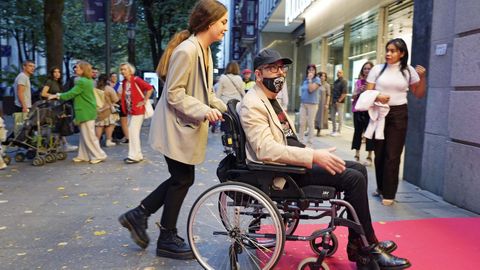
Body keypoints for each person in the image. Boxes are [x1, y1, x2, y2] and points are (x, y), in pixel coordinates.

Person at [239, 48, 411, 269]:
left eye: (281, 68)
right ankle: (366, 249)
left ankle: (360, 243)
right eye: (272, 68)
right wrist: (313, 156)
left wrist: (311, 153)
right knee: (353, 179)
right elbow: (265, 150)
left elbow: (287, 138)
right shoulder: (253, 103)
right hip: (283, 172)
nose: (279, 73)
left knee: (358, 168)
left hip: (294, 162)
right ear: (258, 74)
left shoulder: (270, 99)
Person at [118, 0, 228, 260]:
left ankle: (140, 215)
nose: (225, 27)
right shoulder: (187, 51)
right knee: (182, 179)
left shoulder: (204, 51)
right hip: (174, 128)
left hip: (182, 127)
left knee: (181, 179)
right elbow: (175, 95)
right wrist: (203, 110)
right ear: (210, 23)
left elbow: (206, 93)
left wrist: (229, 107)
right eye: (223, 22)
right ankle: (165, 236)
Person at [366, 38, 427, 206]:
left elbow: (419, 94)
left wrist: (422, 77)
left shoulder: (408, 71)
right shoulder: (377, 70)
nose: (388, 53)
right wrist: (378, 96)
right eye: (387, 50)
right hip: (379, 112)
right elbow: (367, 91)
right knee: (379, 154)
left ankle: (389, 193)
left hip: (399, 114)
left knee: (393, 154)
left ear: (402, 53)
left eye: (392, 51)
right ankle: (380, 188)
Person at [48, 61, 107, 164]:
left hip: (85, 111)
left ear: (83, 70)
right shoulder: (88, 80)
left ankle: (99, 155)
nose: (75, 69)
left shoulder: (82, 81)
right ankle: (83, 155)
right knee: (85, 135)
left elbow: (71, 93)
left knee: (89, 136)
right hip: (88, 110)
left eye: (78, 68)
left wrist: (56, 95)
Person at [118, 62, 153, 164]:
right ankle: (136, 154)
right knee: (132, 132)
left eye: (124, 69)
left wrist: (144, 100)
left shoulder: (136, 80)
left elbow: (149, 88)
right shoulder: (125, 82)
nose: (122, 71)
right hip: (130, 110)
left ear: (130, 70)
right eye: (121, 69)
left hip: (138, 110)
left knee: (133, 132)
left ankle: (134, 156)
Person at [41, 67, 78, 152]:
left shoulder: (58, 83)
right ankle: (63, 145)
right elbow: (43, 93)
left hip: (57, 106)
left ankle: (62, 144)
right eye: (55, 72)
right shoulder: (50, 82)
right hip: (51, 107)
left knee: (59, 125)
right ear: (52, 73)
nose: (57, 74)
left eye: (59, 72)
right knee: (57, 125)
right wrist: (54, 96)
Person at [351, 62, 375, 166]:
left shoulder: (375, 83)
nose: (367, 70)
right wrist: (358, 91)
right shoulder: (359, 82)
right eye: (365, 69)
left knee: (369, 133)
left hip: (369, 111)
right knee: (357, 132)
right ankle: (356, 154)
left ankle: (369, 156)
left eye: (369, 69)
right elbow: (353, 97)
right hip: (358, 111)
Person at [298, 64, 321, 146]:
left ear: (315, 71)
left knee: (310, 123)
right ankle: (300, 140)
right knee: (301, 122)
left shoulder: (317, 80)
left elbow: (311, 89)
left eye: (312, 70)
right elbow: (302, 90)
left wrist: (310, 80)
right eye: (309, 70)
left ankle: (310, 142)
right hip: (303, 104)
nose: (311, 71)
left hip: (312, 104)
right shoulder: (305, 80)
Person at [95, 74, 120, 147]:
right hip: (108, 110)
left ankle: (96, 141)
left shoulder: (95, 89)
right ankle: (108, 140)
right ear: (107, 80)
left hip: (98, 109)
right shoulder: (109, 89)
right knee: (110, 125)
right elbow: (115, 99)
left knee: (99, 125)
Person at [13, 60, 35, 136]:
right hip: (22, 106)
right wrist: (24, 106)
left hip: (24, 106)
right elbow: (20, 92)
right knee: (21, 127)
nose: (33, 68)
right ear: (24, 67)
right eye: (30, 66)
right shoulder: (22, 77)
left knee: (23, 127)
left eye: (33, 66)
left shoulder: (25, 77)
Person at [330, 69, 347, 136]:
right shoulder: (335, 82)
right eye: (337, 72)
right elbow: (333, 92)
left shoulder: (344, 82)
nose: (338, 74)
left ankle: (339, 131)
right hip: (334, 101)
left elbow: (344, 93)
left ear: (342, 74)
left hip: (340, 102)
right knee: (332, 116)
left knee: (340, 117)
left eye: (340, 72)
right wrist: (332, 101)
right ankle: (334, 130)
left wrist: (339, 100)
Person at [314, 71, 330, 136]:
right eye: (321, 76)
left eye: (324, 76)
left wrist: (327, 104)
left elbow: (328, 95)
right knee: (315, 116)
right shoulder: (317, 83)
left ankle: (319, 130)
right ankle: (311, 129)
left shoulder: (327, 85)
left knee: (321, 117)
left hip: (322, 104)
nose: (323, 77)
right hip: (315, 102)